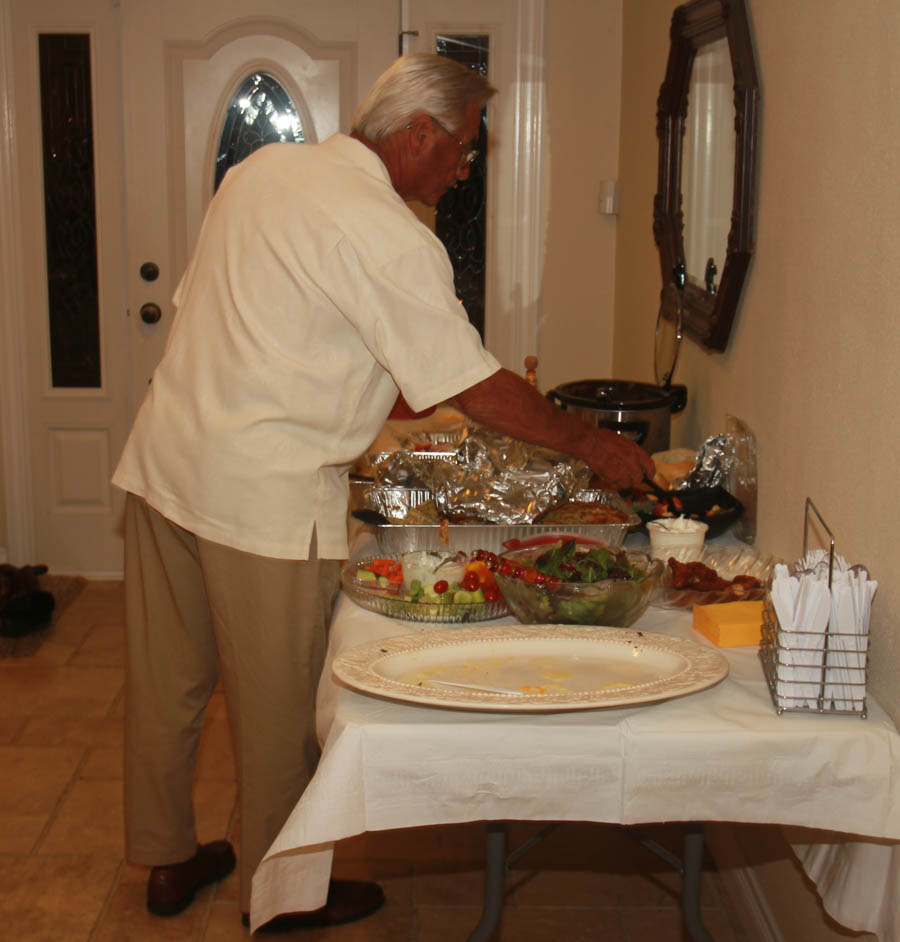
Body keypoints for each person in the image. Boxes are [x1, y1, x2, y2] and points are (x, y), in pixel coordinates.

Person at [112, 52, 653, 933]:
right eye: (464, 151)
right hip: (260, 497)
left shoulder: (261, 172)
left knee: (170, 684)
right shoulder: (388, 231)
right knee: (278, 716)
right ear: (419, 134)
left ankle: (170, 861)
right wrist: (592, 443)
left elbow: (212, 309)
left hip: (165, 459)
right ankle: (282, 899)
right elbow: (472, 385)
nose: (463, 170)